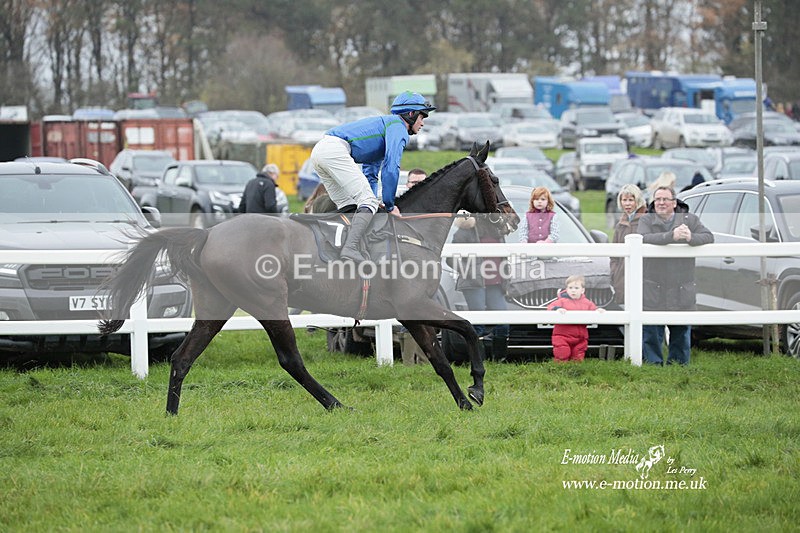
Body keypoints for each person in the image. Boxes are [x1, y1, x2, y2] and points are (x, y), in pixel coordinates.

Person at [309, 91, 435, 262]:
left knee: (350, 206)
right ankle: (350, 248)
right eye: (422, 116)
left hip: (320, 151)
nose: (423, 123)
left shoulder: (385, 129)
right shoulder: (398, 127)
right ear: (411, 114)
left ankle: (338, 249)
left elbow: (371, 174)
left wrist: (374, 202)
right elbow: (391, 168)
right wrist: (390, 205)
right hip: (334, 150)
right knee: (367, 201)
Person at [637, 186, 714, 366]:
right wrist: (671, 236)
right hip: (653, 284)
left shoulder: (690, 219)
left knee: (681, 330)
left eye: (665, 199)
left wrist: (690, 237)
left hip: (681, 286)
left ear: (674, 202)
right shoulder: (646, 219)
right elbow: (643, 238)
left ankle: (678, 366)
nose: (661, 203)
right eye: (657, 199)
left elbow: (708, 237)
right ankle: (652, 366)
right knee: (651, 331)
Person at [452, 211, 510, 361]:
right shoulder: (465, 231)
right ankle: (478, 360)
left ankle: (499, 360)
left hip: (496, 283)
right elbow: (451, 259)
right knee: (478, 324)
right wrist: (469, 271)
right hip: (474, 283)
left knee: (503, 322)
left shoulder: (498, 230)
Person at [547, 274, 603, 362]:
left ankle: (576, 369)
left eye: (576, 288)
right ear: (566, 289)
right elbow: (550, 307)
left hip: (581, 337)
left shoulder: (587, 303)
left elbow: (594, 309)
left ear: (582, 290)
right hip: (562, 335)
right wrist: (558, 309)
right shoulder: (561, 301)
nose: (573, 290)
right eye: (570, 288)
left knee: (578, 355)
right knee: (562, 353)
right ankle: (560, 368)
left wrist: (598, 310)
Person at [610, 184, 647, 307]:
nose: (627, 204)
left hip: (643, 277)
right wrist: (615, 272)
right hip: (622, 277)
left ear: (638, 201)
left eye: (631, 200)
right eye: (624, 200)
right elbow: (614, 253)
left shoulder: (647, 220)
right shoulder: (620, 224)